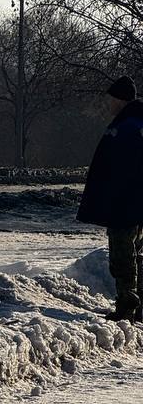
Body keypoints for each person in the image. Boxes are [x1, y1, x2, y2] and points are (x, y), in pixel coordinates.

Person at [77, 75, 143, 321]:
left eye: (111, 99)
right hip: (131, 204)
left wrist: (114, 198)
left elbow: (123, 171)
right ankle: (136, 308)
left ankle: (127, 308)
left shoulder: (127, 128)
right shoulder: (132, 123)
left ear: (120, 99)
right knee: (134, 256)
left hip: (126, 205)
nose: (108, 104)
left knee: (123, 258)